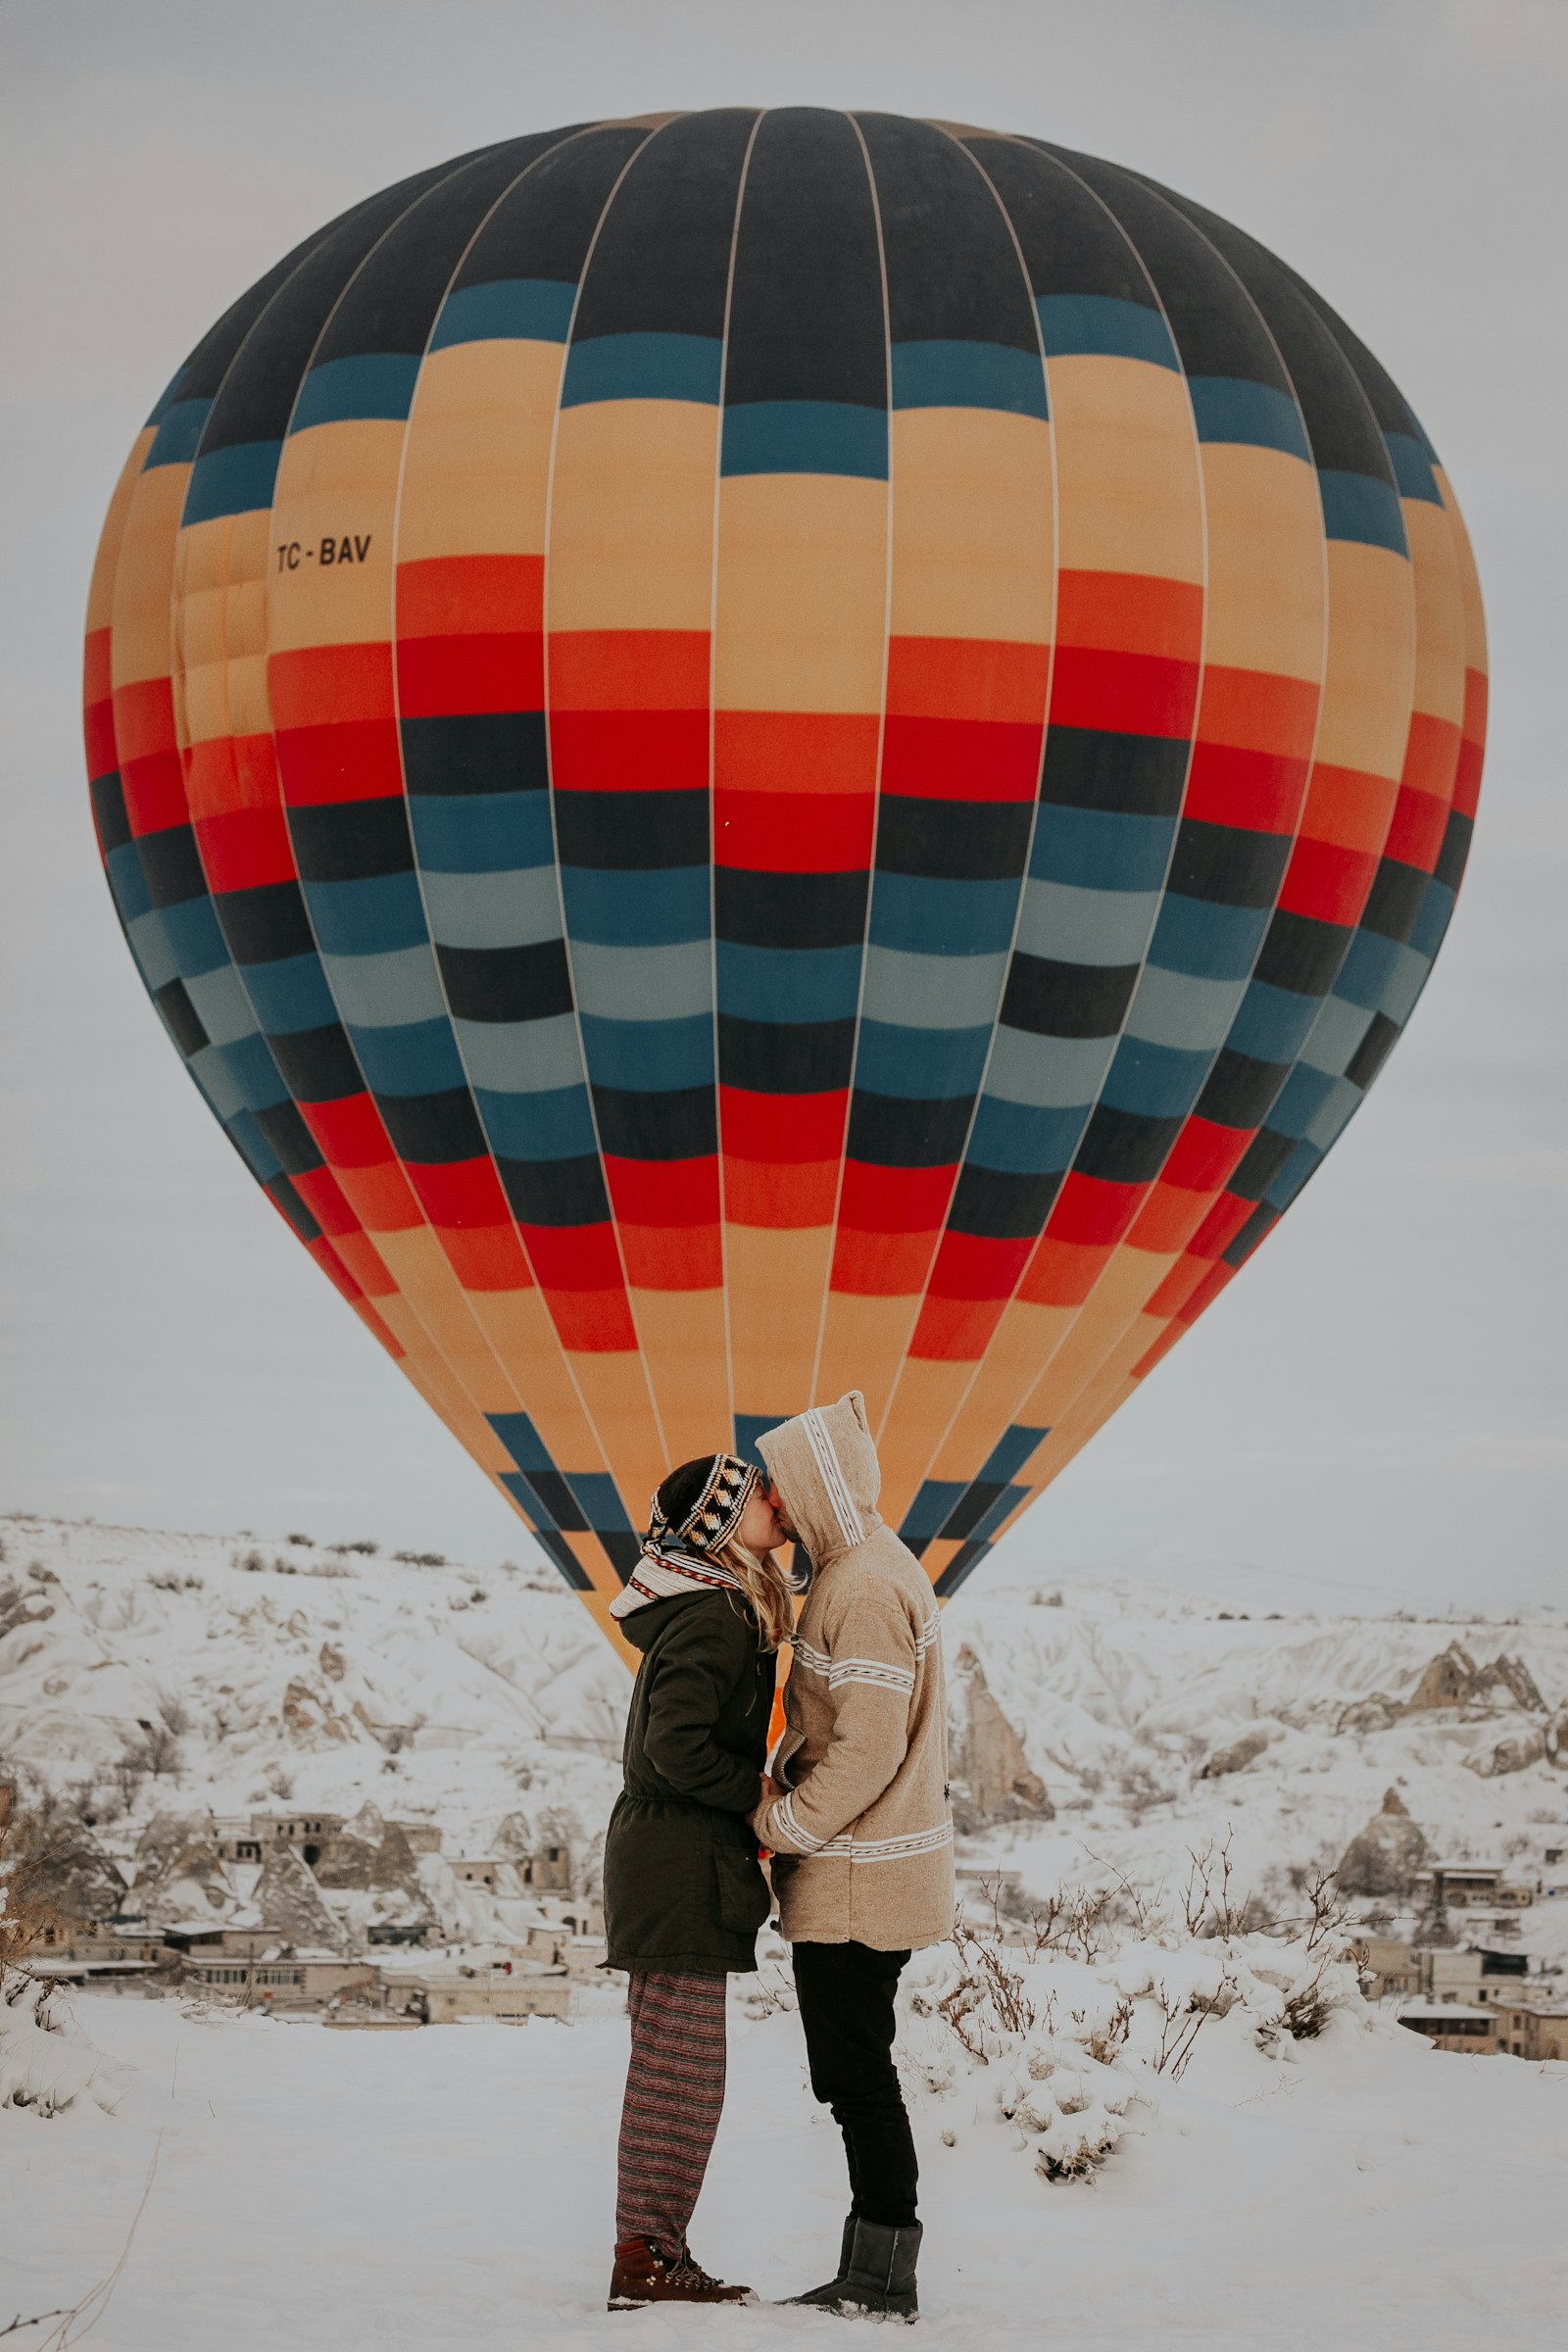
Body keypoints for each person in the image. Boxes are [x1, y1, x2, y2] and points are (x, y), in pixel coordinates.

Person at [751, 1391, 953, 2324]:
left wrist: (782, 1827)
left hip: (856, 1879)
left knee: (859, 2081)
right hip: (862, 1872)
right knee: (856, 2078)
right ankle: (869, 2271)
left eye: (783, 1490)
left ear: (817, 1491)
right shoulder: (863, 1569)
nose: (773, 1507)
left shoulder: (864, 1586)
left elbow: (868, 1748)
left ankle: (879, 2279)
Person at [601, 1449, 797, 2312]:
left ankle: (653, 2251)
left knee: (671, 2068)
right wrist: (752, 1795)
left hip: (667, 1858)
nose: (774, 1502)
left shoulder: (702, 1607)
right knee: (681, 2074)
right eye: (756, 1496)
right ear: (718, 1525)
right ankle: (646, 2259)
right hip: (681, 1863)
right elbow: (672, 1750)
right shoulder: (717, 1613)